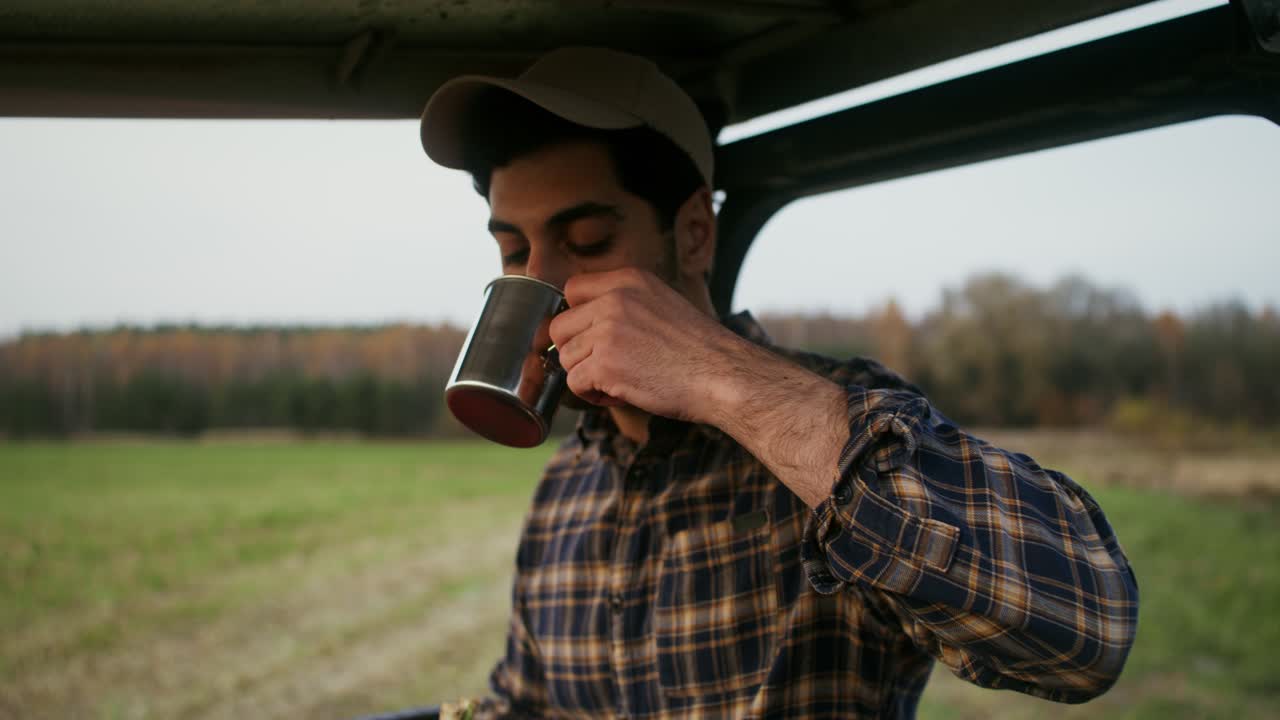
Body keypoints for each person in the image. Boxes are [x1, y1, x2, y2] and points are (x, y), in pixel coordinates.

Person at [419, 46, 1138, 719]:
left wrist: (714, 375)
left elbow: (1086, 631)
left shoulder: (851, 423)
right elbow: (526, 701)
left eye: (588, 244)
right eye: (513, 251)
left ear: (696, 233)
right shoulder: (564, 491)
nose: (540, 281)